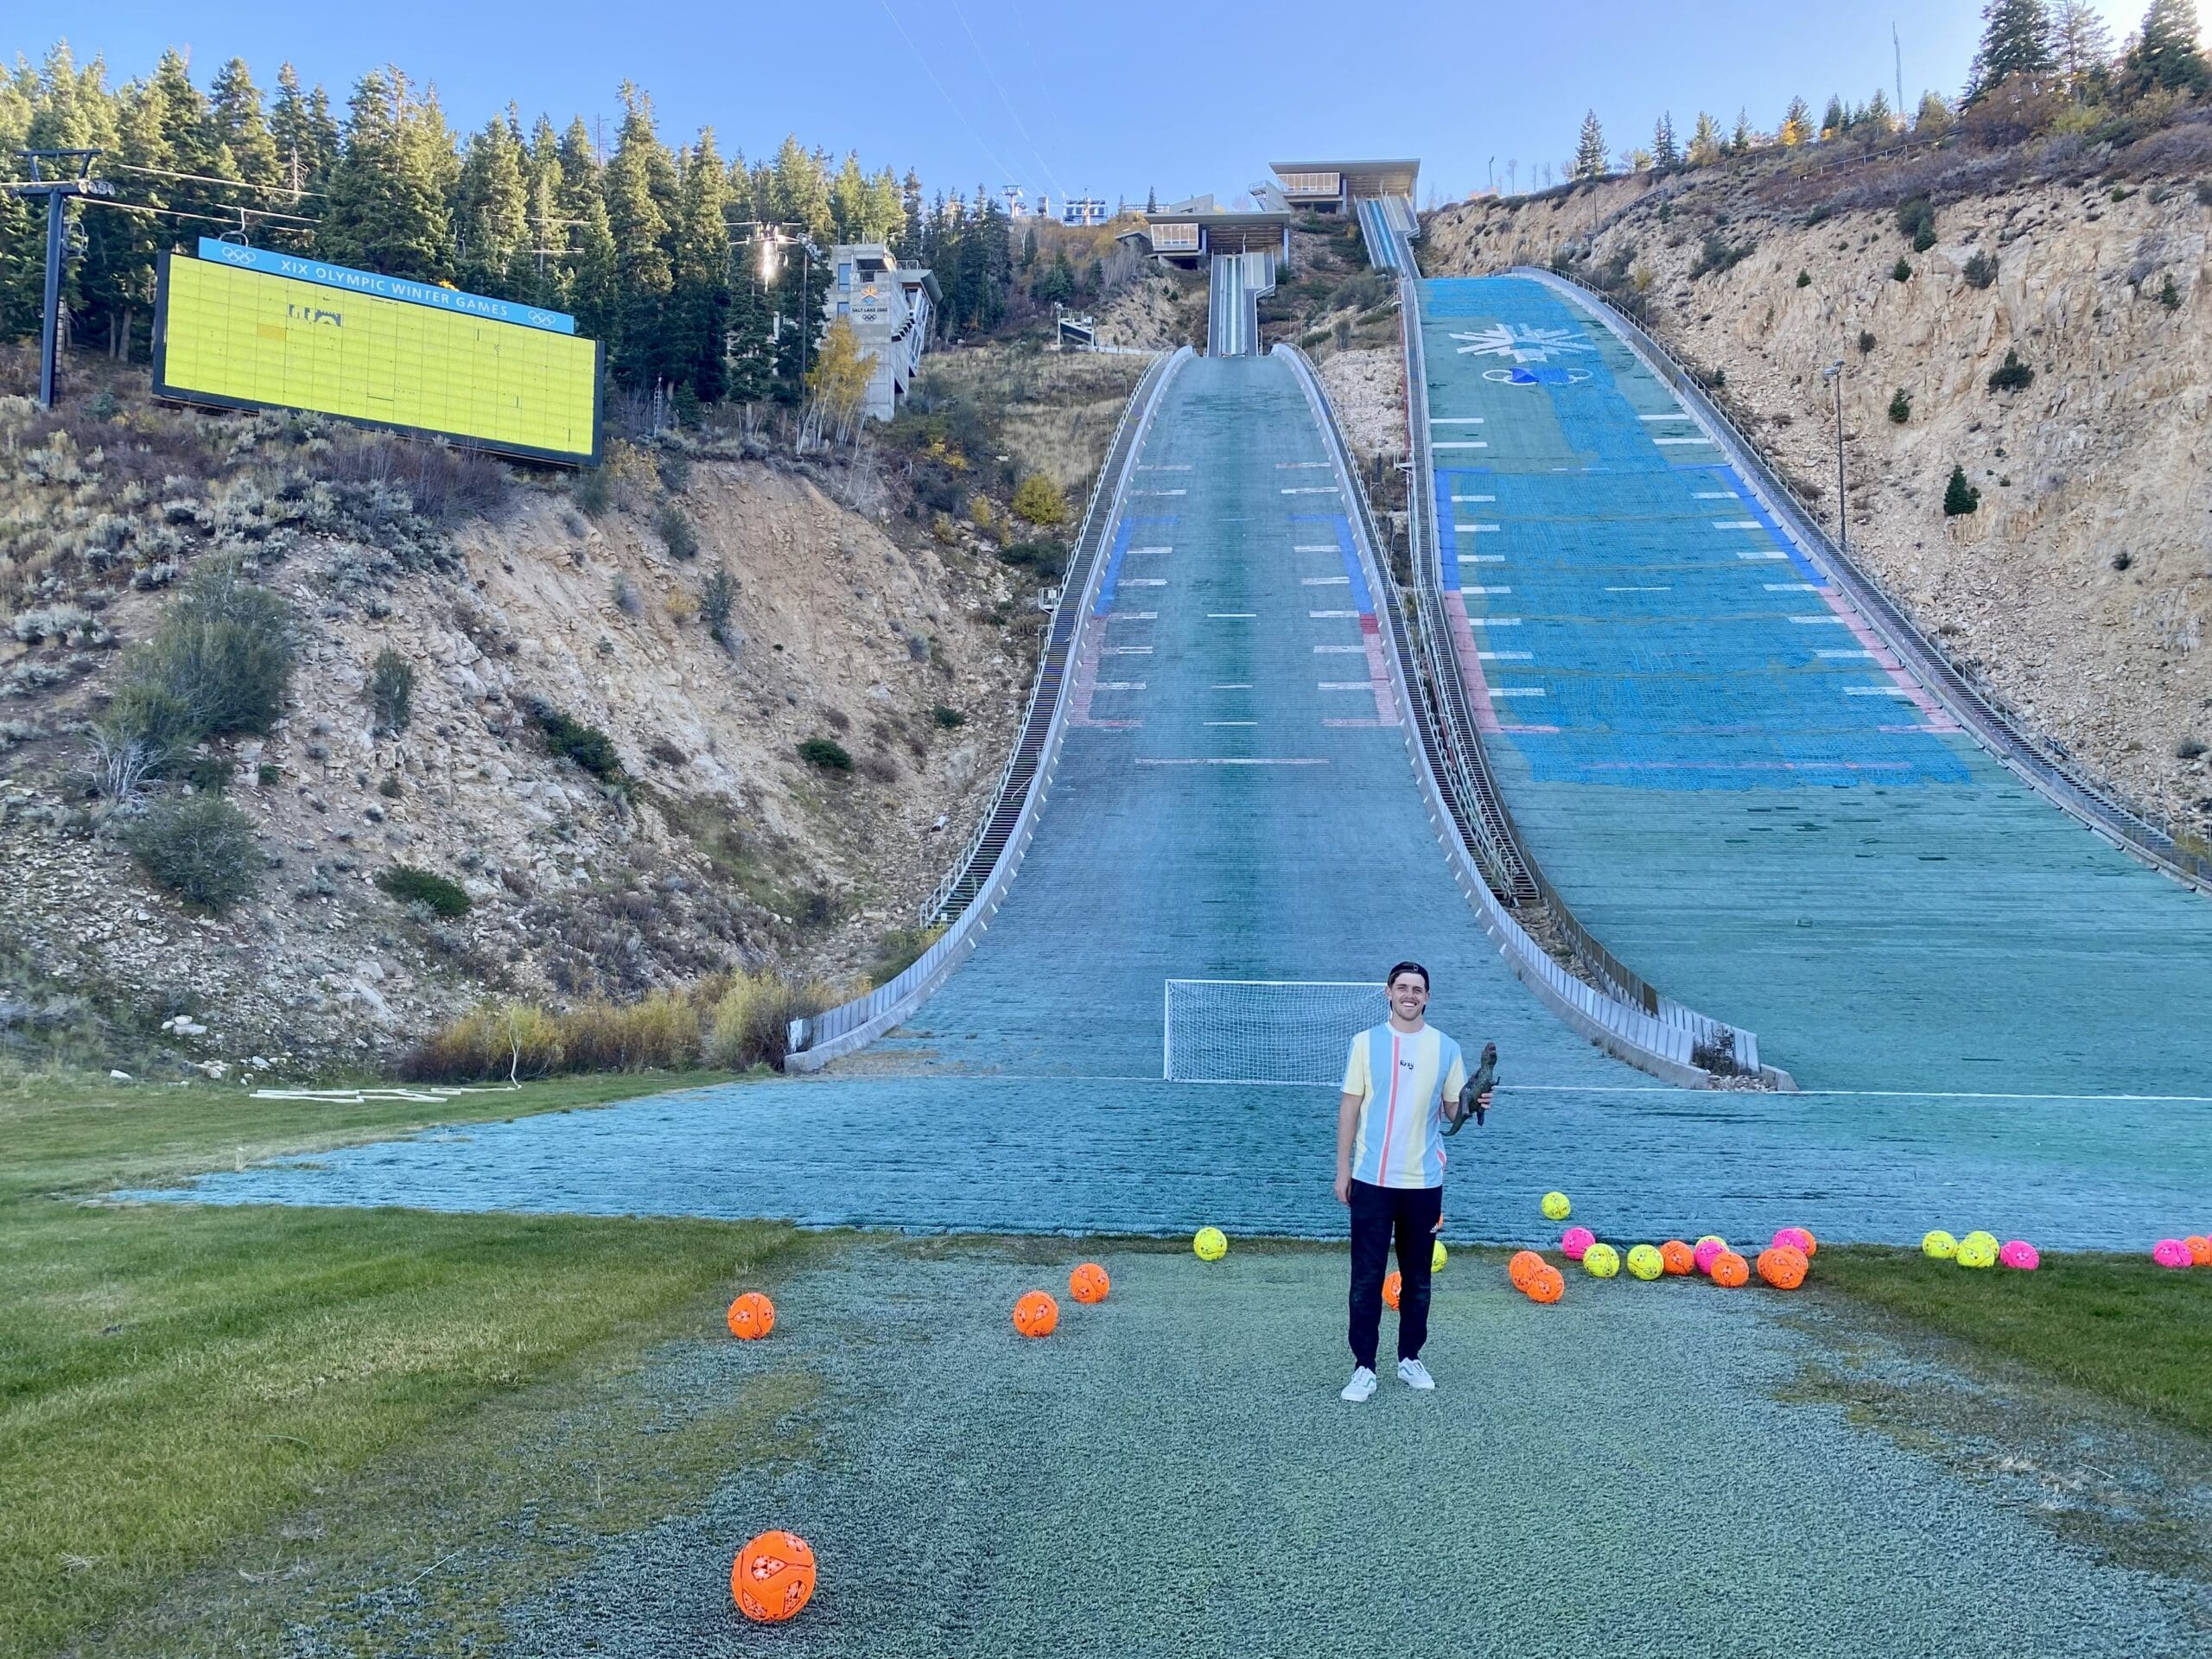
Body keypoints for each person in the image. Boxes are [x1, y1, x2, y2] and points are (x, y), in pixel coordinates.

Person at [1334, 960, 1490, 1402]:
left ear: (1427, 997)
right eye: (1402, 987)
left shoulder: (1446, 1049)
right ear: (1388, 992)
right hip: (1371, 1181)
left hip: (1423, 1184)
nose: (1409, 995)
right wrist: (1342, 1169)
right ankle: (1364, 1367)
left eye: (1417, 989)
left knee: (1418, 1278)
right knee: (1365, 1278)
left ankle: (1409, 1359)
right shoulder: (1364, 1045)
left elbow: (1452, 1110)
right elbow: (1350, 1108)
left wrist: (1476, 1104)